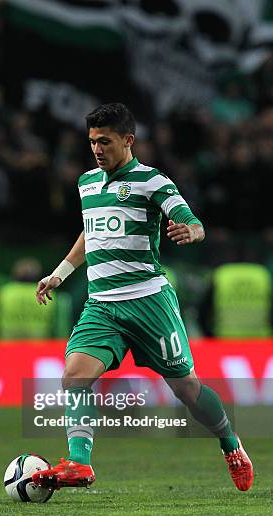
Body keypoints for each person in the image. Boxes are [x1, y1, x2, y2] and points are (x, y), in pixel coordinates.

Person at [32, 102, 253, 493]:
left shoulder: (152, 181)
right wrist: (60, 273)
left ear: (128, 140)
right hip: (102, 304)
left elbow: (191, 220)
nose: (97, 149)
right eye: (92, 142)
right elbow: (90, 233)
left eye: (105, 141)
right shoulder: (87, 183)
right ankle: (79, 463)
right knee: (74, 375)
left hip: (148, 301)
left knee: (186, 389)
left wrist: (191, 232)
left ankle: (230, 443)